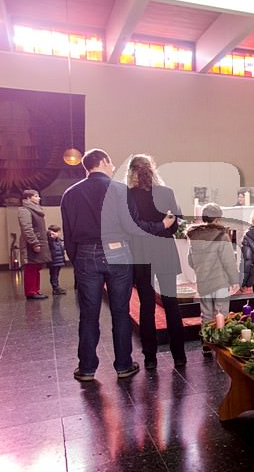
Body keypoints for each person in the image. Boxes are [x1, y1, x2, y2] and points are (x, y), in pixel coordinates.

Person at [61, 149, 176, 382]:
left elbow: (68, 235)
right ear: (103, 162)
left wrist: (78, 260)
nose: (113, 166)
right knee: (121, 312)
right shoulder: (119, 190)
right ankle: (123, 365)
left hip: (86, 254)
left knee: (88, 314)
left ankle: (86, 368)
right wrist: (161, 226)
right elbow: (133, 227)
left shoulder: (70, 194)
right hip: (118, 252)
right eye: (111, 162)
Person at [126, 154, 186, 370]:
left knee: (147, 306)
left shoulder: (128, 195)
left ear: (131, 171)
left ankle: (150, 358)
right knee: (171, 303)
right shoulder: (166, 192)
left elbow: (132, 226)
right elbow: (175, 225)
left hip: (142, 252)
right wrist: (164, 225)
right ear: (152, 169)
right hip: (164, 249)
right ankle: (179, 356)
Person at [187, 204, 239, 356]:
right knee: (221, 312)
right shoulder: (221, 236)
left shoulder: (194, 237)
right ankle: (220, 344)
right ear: (217, 219)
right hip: (220, 281)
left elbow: (190, 261)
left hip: (203, 282)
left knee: (206, 314)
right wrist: (234, 280)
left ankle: (206, 344)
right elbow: (228, 261)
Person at [18, 189, 51, 299]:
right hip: (31, 244)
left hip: (39, 241)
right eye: (36, 196)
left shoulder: (35, 210)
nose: (39, 198)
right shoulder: (24, 210)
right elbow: (27, 228)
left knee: (36, 267)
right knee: (31, 267)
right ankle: (31, 292)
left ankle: (36, 290)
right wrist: (34, 243)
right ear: (28, 198)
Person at [47, 224, 66, 295]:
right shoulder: (50, 240)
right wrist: (50, 234)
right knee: (54, 275)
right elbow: (49, 236)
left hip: (59, 260)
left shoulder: (58, 240)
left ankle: (57, 286)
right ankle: (55, 288)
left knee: (56, 274)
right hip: (53, 261)